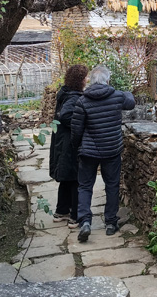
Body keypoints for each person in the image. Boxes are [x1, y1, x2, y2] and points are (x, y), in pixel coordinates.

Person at [71, 65, 135, 242]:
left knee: (85, 186)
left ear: (91, 82)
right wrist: (123, 90)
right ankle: (110, 223)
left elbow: (76, 130)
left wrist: (78, 148)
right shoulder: (117, 96)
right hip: (112, 150)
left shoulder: (82, 101)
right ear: (107, 80)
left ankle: (85, 221)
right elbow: (131, 101)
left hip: (88, 152)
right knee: (112, 185)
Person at [49, 64, 88, 228]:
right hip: (69, 142)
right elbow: (66, 116)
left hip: (61, 140)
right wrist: (79, 126)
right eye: (85, 77)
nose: (87, 80)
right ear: (80, 80)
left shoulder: (65, 93)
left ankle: (61, 211)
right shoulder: (74, 97)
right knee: (74, 178)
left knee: (66, 178)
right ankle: (74, 216)